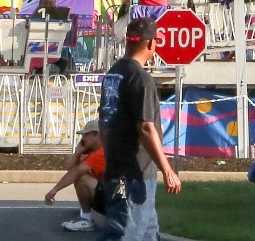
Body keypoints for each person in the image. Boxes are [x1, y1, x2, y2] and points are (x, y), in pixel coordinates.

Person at [97, 17, 181, 241]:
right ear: (152, 44)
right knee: (124, 232)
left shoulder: (114, 74)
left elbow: (104, 121)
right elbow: (145, 127)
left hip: (118, 168)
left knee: (148, 233)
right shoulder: (140, 79)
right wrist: (168, 169)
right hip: (134, 174)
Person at [46, 120, 106, 233]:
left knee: (81, 177)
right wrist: (78, 153)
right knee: (80, 176)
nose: (82, 138)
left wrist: (54, 190)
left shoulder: (101, 153)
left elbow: (76, 173)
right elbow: (71, 169)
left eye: (85, 135)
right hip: (114, 200)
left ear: (96, 134)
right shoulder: (95, 152)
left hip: (115, 202)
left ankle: (87, 219)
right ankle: (89, 214)